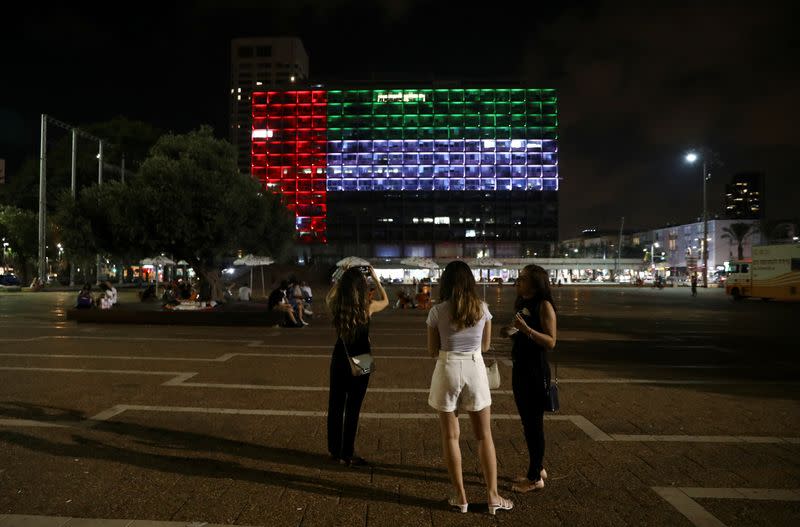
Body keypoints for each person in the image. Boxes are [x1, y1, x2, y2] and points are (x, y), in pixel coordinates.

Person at [427, 261, 513, 514]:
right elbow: (485, 346)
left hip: (447, 368)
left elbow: (432, 350)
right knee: (484, 436)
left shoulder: (437, 311)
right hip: (475, 368)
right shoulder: (483, 309)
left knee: (451, 436)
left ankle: (461, 496)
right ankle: (492, 496)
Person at [501, 264, 557, 493]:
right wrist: (509, 331)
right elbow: (519, 330)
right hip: (520, 368)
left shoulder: (544, 306)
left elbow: (551, 341)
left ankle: (534, 479)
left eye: (522, 278)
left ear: (535, 283)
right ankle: (537, 467)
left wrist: (526, 331)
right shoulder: (522, 303)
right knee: (527, 423)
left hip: (535, 371)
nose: (518, 281)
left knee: (534, 424)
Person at [326, 266, 388, 467]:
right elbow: (386, 301)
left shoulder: (337, 305)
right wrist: (376, 279)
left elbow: (330, 296)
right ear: (363, 287)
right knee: (353, 407)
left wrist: (340, 278)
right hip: (362, 357)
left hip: (339, 357)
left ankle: (335, 450)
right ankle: (348, 452)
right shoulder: (367, 306)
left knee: (335, 405)